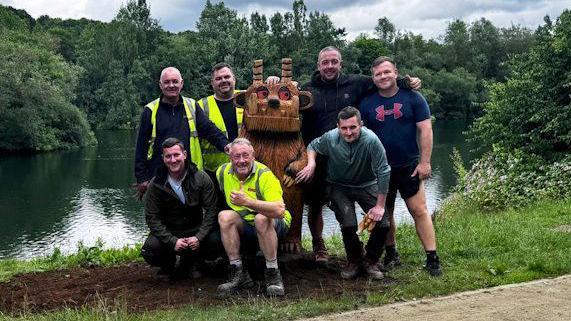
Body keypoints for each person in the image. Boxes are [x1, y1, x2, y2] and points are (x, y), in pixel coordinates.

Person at [300, 46, 421, 263]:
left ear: (341, 63)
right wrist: (275, 80)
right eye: (325, 62)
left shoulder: (357, 82)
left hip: (352, 153)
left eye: (333, 62)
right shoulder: (307, 89)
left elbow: (383, 79)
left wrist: (405, 81)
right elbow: (286, 95)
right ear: (318, 65)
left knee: (359, 198)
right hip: (318, 153)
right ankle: (319, 244)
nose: (329, 66)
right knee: (316, 203)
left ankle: (370, 253)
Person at [360, 56, 442, 276]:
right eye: (378, 74)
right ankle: (391, 253)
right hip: (379, 169)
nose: (383, 76)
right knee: (385, 214)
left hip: (409, 165)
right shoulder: (366, 103)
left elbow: (426, 130)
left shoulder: (413, 98)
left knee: (419, 210)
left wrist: (425, 162)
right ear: (373, 77)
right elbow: (359, 136)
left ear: (396, 72)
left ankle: (432, 257)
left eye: (387, 72)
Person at [296, 107, 391, 280]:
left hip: (366, 184)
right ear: (338, 127)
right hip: (338, 186)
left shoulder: (371, 140)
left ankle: (370, 260)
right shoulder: (331, 137)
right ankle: (354, 260)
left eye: (353, 127)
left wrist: (380, 206)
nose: (348, 132)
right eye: (344, 128)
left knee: (383, 223)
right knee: (349, 224)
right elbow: (312, 146)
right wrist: (311, 163)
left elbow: (384, 170)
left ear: (361, 125)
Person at [134, 67, 230, 198]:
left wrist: (226, 145)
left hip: (191, 177)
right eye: (167, 82)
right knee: (161, 216)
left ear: (182, 83)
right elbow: (141, 146)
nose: (171, 85)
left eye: (175, 81)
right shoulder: (150, 110)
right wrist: (141, 178)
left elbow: (209, 130)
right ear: (160, 85)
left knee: (193, 216)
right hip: (159, 177)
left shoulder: (192, 106)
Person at [216, 138, 290, 296]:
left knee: (261, 219)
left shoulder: (265, 175)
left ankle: (273, 273)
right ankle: (238, 273)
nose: (241, 161)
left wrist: (248, 202)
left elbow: (280, 210)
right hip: (247, 225)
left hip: (275, 224)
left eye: (245, 155)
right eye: (236, 156)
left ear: (253, 156)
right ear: (230, 157)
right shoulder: (222, 172)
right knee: (224, 216)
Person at [140, 137, 222, 279]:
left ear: (184, 154)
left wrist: (199, 237)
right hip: (170, 231)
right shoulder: (155, 184)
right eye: (168, 156)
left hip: (195, 230)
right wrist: (172, 241)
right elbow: (152, 218)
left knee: (217, 240)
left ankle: (195, 262)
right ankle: (168, 265)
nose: (173, 160)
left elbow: (211, 211)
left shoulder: (201, 178)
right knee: (150, 249)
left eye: (176, 155)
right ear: (163, 158)